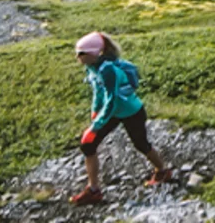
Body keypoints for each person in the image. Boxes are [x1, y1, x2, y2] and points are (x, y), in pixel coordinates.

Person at [69, 32, 172, 206]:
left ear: (93, 53)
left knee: (141, 144)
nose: (77, 57)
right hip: (114, 113)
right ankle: (93, 190)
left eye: (81, 53)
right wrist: (95, 111)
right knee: (88, 145)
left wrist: (95, 126)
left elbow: (112, 100)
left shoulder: (108, 70)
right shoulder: (92, 67)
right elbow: (98, 91)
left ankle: (163, 171)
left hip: (131, 112)